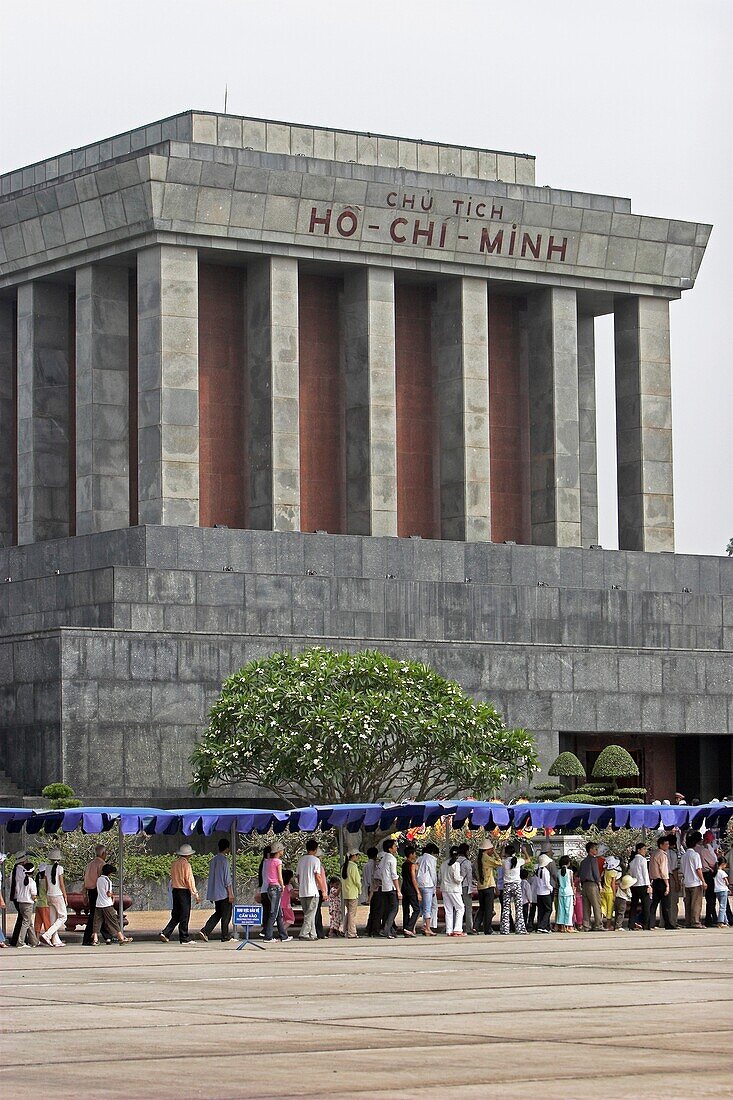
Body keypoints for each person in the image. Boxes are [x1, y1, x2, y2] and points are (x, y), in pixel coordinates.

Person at [160, 843, 200, 945]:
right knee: (184, 915)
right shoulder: (186, 865)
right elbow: (189, 880)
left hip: (175, 890)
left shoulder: (174, 864)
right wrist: (195, 893)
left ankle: (166, 932)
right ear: (188, 855)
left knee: (176, 914)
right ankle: (184, 937)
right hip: (183, 891)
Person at [199, 838, 235, 942]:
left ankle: (206, 930)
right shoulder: (224, 861)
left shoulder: (213, 860)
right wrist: (230, 893)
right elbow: (227, 879)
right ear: (227, 848)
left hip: (215, 893)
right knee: (226, 915)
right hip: (223, 892)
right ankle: (225, 935)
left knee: (218, 913)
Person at [91, 864, 132, 945]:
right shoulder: (108, 881)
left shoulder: (98, 879)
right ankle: (121, 937)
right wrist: (113, 896)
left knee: (97, 921)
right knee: (113, 921)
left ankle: (95, 939)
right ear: (110, 873)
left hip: (98, 903)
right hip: (107, 904)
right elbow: (108, 894)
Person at [261, 841, 292, 942]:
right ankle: (268, 936)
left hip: (270, 887)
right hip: (276, 887)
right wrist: (282, 885)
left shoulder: (268, 861)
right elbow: (279, 876)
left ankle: (284, 936)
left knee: (278, 913)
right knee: (273, 913)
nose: (283, 851)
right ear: (279, 851)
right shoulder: (278, 862)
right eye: (282, 849)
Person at [296, 838, 324, 941]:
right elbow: (318, 876)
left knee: (308, 913)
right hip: (312, 891)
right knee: (310, 913)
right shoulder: (316, 860)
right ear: (315, 849)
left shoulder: (301, 860)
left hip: (302, 891)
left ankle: (313, 934)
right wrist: (323, 890)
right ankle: (303, 933)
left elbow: (298, 876)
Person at [40, 848, 68, 948]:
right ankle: (47, 934)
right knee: (63, 916)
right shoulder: (60, 868)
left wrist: (48, 893)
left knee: (53, 918)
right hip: (58, 894)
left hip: (49, 894)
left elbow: (47, 884)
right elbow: (61, 884)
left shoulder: (47, 868)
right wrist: (65, 895)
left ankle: (55, 940)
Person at [82, 844, 107, 946]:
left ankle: (107, 936)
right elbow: (101, 880)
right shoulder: (101, 864)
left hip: (90, 891)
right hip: (97, 891)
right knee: (96, 915)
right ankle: (88, 938)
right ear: (103, 853)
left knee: (98, 914)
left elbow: (85, 880)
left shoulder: (90, 864)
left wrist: (84, 894)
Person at [499, 843, 527, 935]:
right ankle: (520, 928)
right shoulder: (518, 860)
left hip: (507, 885)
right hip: (516, 885)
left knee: (506, 908)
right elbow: (529, 860)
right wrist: (524, 851)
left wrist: (502, 848)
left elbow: (498, 859)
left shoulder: (504, 861)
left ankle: (505, 929)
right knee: (519, 907)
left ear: (506, 853)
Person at [474, 840, 500, 935]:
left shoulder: (477, 859)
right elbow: (499, 863)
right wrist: (496, 853)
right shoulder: (487, 858)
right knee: (489, 909)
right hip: (488, 886)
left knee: (482, 908)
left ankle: (476, 927)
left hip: (480, 887)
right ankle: (487, 929)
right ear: (488, 849)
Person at [681, 830, 706, 928]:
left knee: (688, 903)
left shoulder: (683, 856)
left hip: (687, 882)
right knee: (696, 903)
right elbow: (698, 869)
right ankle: (695, 922)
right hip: (695, 882)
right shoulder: (695, 855)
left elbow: (682, 870)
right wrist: (703, 881)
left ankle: (688, 921)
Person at [649, 836, 675, 930]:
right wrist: (667, 885)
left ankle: (650, 923)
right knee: (665, 904)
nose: (667, 846)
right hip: (661, 880)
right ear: (661, 845)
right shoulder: (662, 855)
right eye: (666, 844)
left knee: (654, 903)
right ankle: (668, 923)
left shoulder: (653, 854)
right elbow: (664, 871)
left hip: (655, 880)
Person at [13, 859, 39, 948]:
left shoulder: (19, 881)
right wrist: (35, 900)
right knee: (26, 923)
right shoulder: (32, 882)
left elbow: (17, 890)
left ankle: (34, 942)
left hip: (20, 903)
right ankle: (20, 942)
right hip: (28, 904)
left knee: (29, 922)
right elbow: (33, 895)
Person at [440, 846, 465, 936]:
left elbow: (440, 877)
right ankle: (458, 929)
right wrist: (462, 878)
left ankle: (449, 930)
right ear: (458, 855)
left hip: (444, 889)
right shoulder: (456, 864)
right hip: (454, 889)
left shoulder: (443, 864)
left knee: (448, 910)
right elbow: (457, 879)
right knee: (460, 908)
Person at [378, 838, 401, 938]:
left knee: (388, 908)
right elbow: (394, 876)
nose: (396, 848)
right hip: (391, 887)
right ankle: (387, 930)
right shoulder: (391, 858)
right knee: (394, 908)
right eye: (394, 846)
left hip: (384, 886)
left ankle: (389, 929)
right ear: (390, 849)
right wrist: (399, 890)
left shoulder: (383, 859)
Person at [579, 842, 603, 931]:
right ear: (590, 850)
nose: (597, 850)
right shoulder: (593, 860)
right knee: (596, 905)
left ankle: (586, 925)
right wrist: (599, 883)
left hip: (584, 885)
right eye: (595, 849)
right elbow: (596, 873)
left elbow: (580, 873)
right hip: (592, 884)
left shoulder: (583, 861)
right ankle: (598, 924)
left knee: (586, 906)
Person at [697, 831, 719, 927]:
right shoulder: (704, 849)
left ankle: (712, 917)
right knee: (711, 898)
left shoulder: (694, 850)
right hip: (707, 873)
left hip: (701, 874)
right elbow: (713, 861)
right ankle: (709, 919)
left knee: (706, 898)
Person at [416, 842, 439, 936]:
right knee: (428, 907)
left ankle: (412, 926)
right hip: (428, 885)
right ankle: (427, 928)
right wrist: (435, 886)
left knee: (420, 908)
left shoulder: (420, 858)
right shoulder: (431, 859)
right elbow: (433, 874)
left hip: (419, 884)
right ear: (433, 852)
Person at [400, 845, 421, 937]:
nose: (415, 855)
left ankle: (405, 928)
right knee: (417, 909)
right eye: (414, 853)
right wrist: (418, 892)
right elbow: (413, 879)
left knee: (406, 909)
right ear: (411, 854)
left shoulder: (404, 864)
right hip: (411, 889)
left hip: (404, 888)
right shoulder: (412, 865)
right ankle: (409, 928)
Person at [341, 850, 361, 939]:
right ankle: (352, 933)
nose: (358, 857)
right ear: (354, 856)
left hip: (345, 893)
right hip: (353, 893)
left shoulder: (343, 866)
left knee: (349, 912)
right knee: (352, 914)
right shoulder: (353, 866)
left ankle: (343, 929)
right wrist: (360, 890)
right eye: (357, 856)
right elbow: (357, 881)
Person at [363, 847, 382, 937]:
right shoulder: (375, 864)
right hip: (375, 888)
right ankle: (375, 929)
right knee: (377, 910)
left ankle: (369, 928)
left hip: (368, 887)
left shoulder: (365, 865)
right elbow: (376, 877)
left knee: (372, 909)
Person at [457, 842, 474, 935]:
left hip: (456, 887)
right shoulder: (467, 862)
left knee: (457, 908)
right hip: (465, 886)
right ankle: (469, 928)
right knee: (468, 908)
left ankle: (456, 927)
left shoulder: (455, 861)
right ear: (466, 851)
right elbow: (469, 877)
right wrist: (470, 889)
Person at [666, 834, 682, 928]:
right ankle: (672, 921)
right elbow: (674, 869)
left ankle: (664, 921)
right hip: (671, 877)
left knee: (665, 901)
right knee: (673, 901)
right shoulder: (673, 853)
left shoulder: (663, 853)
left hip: (663, 877)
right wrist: (677, 882)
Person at [556, 856, 575, 932]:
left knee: (561, 909)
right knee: (569, 909)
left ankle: (561, 926)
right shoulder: (570, 872)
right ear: (568, 863)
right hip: (568, 891)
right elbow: (571, 883)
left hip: (561, 892)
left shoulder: (558, 872)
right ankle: (569, 926)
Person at [600, 856, 620, 930]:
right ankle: (608, 925)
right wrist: (614, 895)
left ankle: (600, 922)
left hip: (603, 891)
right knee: (609, 909)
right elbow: (613, 884)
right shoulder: (613, 872)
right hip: (610, 892)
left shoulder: (604, 871)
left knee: (603, 907)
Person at [535, 854, 553, 934]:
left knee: (541, 910)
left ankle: (541, 926)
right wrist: (551, 888)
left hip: (539, 893)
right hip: (545, 893)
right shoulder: (545, 871)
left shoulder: (537, 870)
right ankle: (543, 926)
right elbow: (547, 883)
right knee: (549, 910)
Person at [257, 845, 272, 935]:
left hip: (263, 889)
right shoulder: (269, 863)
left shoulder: (263, 863)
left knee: (266, 911)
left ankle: (265, 928)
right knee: (271, 911)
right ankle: (266, 930)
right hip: (269, 890)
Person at [713, 858, 729, 927]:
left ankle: (725, 921)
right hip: (723, 890)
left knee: (722, 906)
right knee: (723, 907)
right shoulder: (722, 872)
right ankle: (720, 922)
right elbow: (727, 882)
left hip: (717, 890)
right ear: (723, 864)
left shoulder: (715, 872)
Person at [281, 869, 296, 935]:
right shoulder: (289, 886)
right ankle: (282, 931)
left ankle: (285, 935)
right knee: (291, 919)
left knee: (284, 920)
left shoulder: (280, 885)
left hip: (279, 906)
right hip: (287, 905)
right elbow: (293, 895)